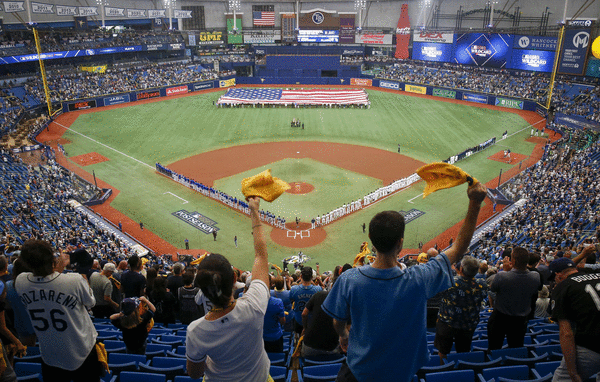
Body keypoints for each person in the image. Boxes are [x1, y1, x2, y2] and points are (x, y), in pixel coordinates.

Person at [322, 181, 487, 382]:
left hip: (358, 372)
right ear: (400, 243)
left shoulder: (350, 278)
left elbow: (338, 322)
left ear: (371, 241)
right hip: (403, 373)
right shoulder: (420, 278)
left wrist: (344, 335)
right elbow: (459, 248)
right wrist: (475, 203)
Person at [186, 196, 271, 381]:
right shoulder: (254, 305)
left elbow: (195, 374)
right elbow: (261, 256)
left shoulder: (196, 331)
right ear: (234, 278)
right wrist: (254, 212)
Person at [15, 239, 102, 382]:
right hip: (82, 351)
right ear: (52, 259)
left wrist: (57, 266)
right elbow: (91, 302)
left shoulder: (20, 281)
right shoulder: (74, 280)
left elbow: (47, 281)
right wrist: (77, 271)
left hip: (50, 355)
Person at [549, 257, 600, 382]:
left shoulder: (563, 287)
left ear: (558, 275)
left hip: (591, 346)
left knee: (561, 379)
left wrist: (572, 372)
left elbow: (566, 333)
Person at [434, 256, 487, 364]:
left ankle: (442, 368)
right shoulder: (482, 284)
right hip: (469, 324)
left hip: (447, 323)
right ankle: (462, 366)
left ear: (461, 269)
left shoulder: (450, 281)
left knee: (443, 350)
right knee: (463, 350)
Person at [487, 247, 541, 350]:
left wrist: (507, 271)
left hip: (500, 318)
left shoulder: (502, 275)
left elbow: (493, 289)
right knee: (516, 348)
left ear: (513, 261)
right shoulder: (536, 276)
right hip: (520, 320)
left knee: (494, 347)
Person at [289, 267, 321, 335]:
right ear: (312, 277)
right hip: (312, 321)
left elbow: (291, 300)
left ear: (301, 276)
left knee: (297, 340)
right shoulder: (318, 289)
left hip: (298, 320)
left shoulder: (294, 289)